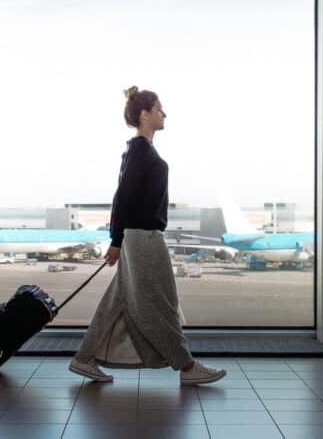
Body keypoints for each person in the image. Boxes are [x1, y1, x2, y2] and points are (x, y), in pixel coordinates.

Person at [69, 86, 226, 385]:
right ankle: (186, 366)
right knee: (161, 301)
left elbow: (124, 197)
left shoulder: (142, 150)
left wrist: (119, 240)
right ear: (144, 114)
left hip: (140, 237)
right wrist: (116, 241)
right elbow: (122, 197)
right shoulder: (140, 150)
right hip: (143, 238)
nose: (164, 113)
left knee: (118, 301)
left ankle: (83, 358)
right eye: (159, 109)